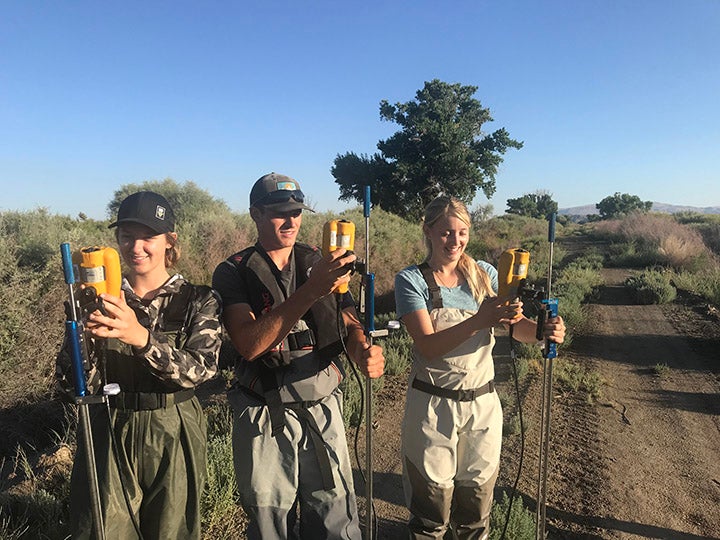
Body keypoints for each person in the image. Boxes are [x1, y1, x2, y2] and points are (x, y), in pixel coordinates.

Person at [212, 172, 385, 539]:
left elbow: (350, 324)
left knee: (336, 519)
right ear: (255, 214)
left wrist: (363, 352)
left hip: (323, 409)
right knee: (269, 524)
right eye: (279, 212)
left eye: (297, 212)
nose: (291, 221)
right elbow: (248, 344)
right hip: (264, 413)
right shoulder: (233, 271)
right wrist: (311, 290)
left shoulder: (321, 260)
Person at [394, 195, 566, 539]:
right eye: (445, 233)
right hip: (432, 407)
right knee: (430, 517)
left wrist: (545, 331)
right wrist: (479, 320)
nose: (455, 242)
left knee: (475, 514)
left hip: (482, 407)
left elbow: (516, 328)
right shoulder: (411, 280)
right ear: (428, 231)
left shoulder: (485, 274)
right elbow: (427, 347)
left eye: (462, 233)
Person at [56, 191, 222, 539]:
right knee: (103, 529)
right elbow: (71, 382)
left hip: (174, 427)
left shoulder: (199, 299)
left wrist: (140, 338)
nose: (136, 246)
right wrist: (82, 335)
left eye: (148, 236)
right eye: (127, 236)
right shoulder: (100, 299)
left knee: (172, 530)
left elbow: (201, 369)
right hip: (111, 421)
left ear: (169, 242)